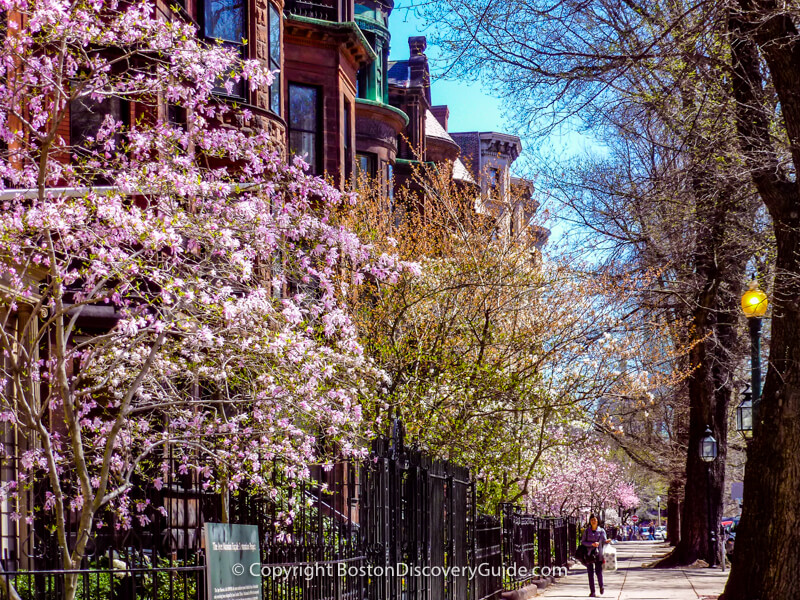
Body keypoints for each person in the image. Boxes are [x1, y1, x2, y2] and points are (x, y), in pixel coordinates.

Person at [580, 514, 608, 597]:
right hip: (589, 554)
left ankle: (601, 586)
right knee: (590, 573)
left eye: (595, 520)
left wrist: (606, 541)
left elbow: (604, 540)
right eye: (592, 520)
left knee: (598, 572)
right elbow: (583, 542)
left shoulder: (601, 531)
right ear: (590, 521)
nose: (593, 521)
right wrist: (591, 544)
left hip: (598, 554)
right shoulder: (587, 531)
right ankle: (592, 591)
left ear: (597, 521)